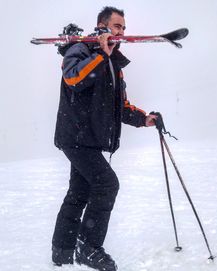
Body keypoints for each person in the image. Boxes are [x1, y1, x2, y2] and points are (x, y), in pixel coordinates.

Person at [52, 6, 157, 271]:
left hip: (89, 139)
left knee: (79, 192)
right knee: (107, 184)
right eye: (117, 26)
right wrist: (100, 53)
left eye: (124, 26)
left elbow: (119, 106)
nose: (122, 31)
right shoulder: (82, 49)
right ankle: (89, 247)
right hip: (75, 135)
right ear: (102, 25)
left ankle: (62, 252)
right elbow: (73, 78)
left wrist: (145, 119)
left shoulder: (112, 63)